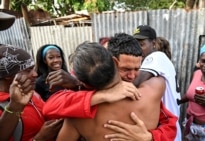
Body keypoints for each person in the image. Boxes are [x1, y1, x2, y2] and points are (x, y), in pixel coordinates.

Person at [44, 34, 177, 141]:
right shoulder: (154, 88)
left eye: (137, 69)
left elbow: (170, 125)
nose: (132, 76)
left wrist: (150, 137)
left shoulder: (76, 117)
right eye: (125, 69)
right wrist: (101, 95)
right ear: (114, 62)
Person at [122, 25, 181, 141]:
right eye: (135, 44)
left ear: (153, 43)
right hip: (168, 127)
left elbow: (135, 83)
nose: (138, 49)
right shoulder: (160, 58)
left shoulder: (155, 57)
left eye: (142, 44)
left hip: (166, 128)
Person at [0, 44, 63, 141]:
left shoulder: (31, 92)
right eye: (28, 70)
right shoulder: (3, 105)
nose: (35, 74)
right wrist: (39, 138)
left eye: (33, 68)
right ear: (8, 75)